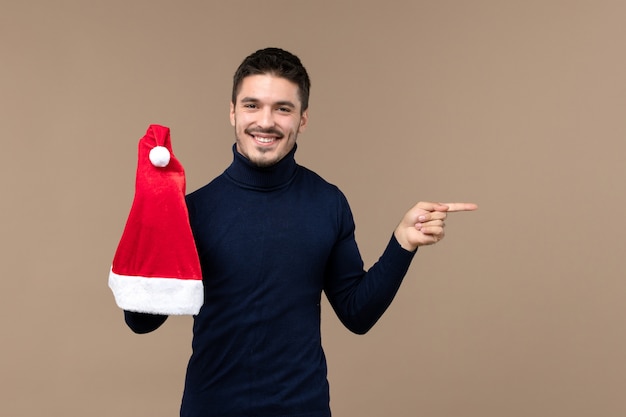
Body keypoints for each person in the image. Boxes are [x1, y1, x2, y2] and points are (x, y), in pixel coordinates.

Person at [123, 47, 477, 417]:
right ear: (232, 112)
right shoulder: (193, 210)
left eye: (283, 108)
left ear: (302, 119)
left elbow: (357, 314)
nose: (265, 121)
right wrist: (151, 218)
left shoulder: (328, 203)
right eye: (252, 105)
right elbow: (141, 324)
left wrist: (402, 243)